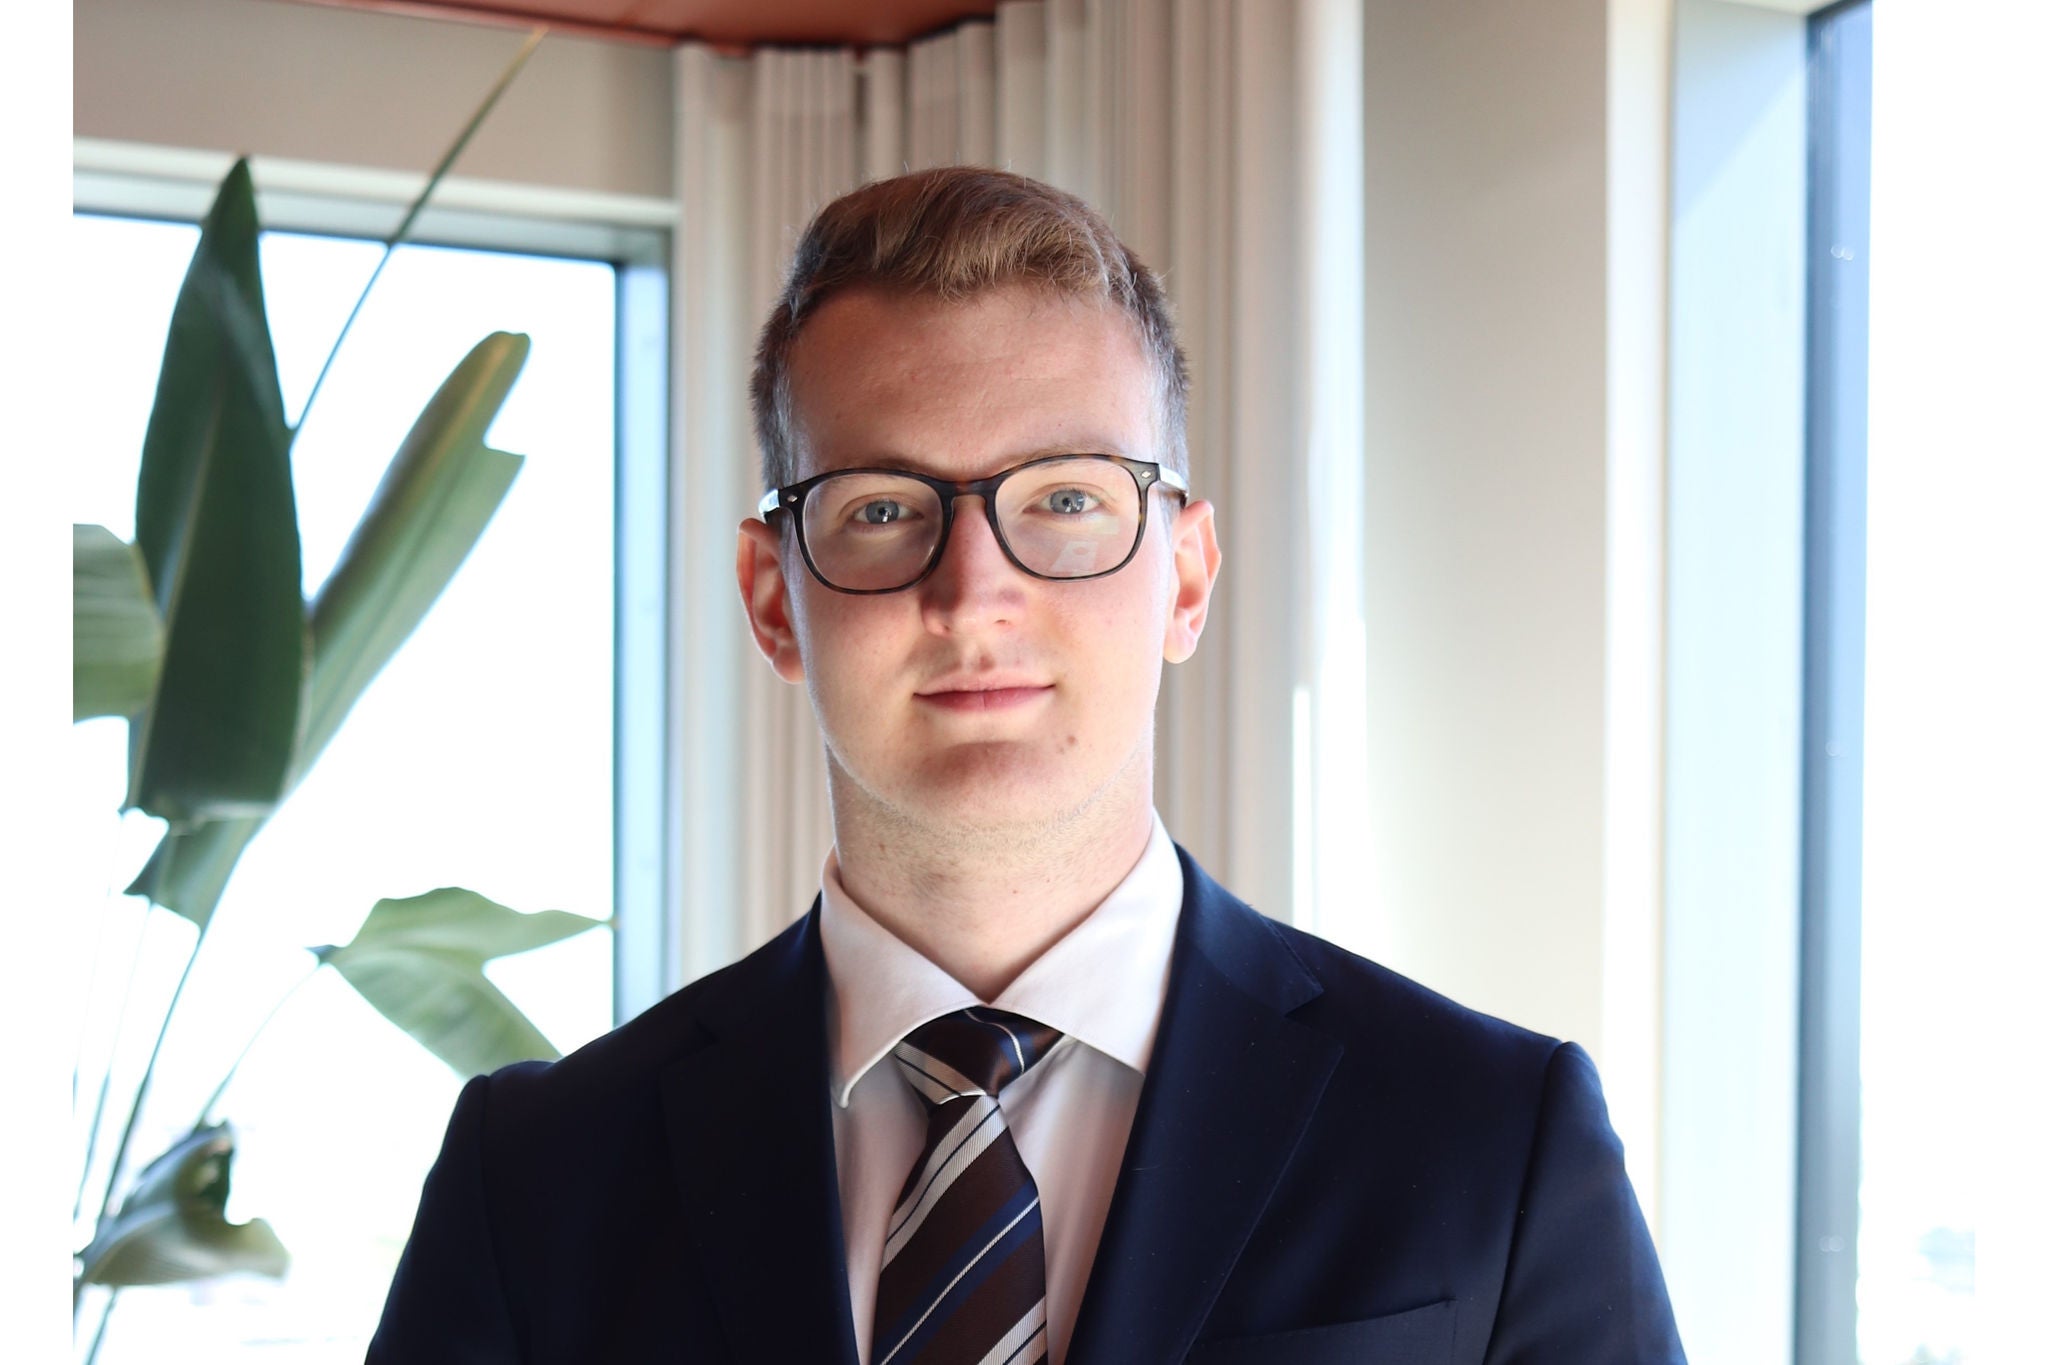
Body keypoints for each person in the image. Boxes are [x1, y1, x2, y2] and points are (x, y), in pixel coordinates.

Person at [368, 168, 1685, 1365]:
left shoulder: (1494, 1139)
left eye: (1064, 497)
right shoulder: (535, 1181)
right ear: (773, 600)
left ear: (1185, 578)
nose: (973, 593)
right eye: (883, 509)